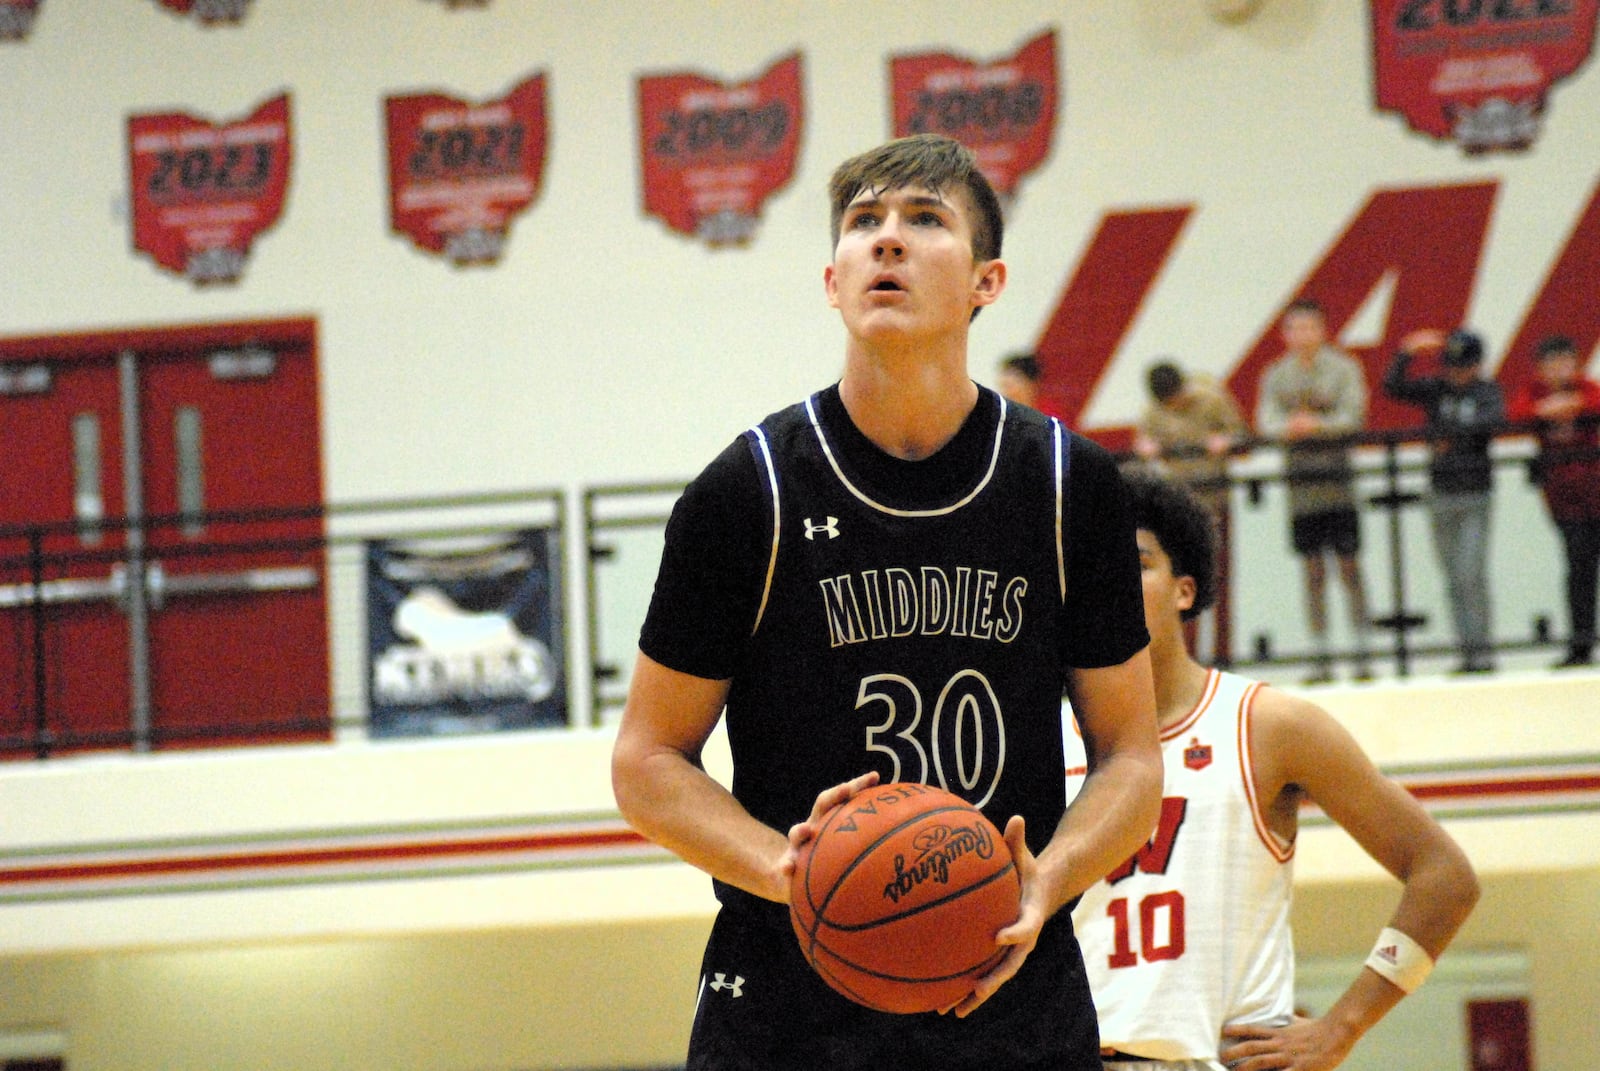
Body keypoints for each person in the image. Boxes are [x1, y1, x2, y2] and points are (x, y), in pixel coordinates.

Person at [611, 133, 1163, 1071]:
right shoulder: (747, 493)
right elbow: (647, 760)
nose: (888, 240)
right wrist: (792, 870)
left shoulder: (1072, 484)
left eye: (924, 220)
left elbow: (1130, 760)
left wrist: (1050, 879)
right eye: (864, 223)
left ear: (988, 281)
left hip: (1008, 992)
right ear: (833, 281)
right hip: (785, 1006)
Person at [1064, 470, 1480, 1070]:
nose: (1114, 583)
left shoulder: (1270, 725)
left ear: (1185, 590)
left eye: (1138, 562)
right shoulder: (1043, 734)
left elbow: (1445, 876)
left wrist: (1341, 1027)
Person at [1254, 298, 1374, 684]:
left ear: (1323, 331)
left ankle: (1363, 654)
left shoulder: (1344, 368)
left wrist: (1315, 425)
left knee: (1350, 565)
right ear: (1285, 334)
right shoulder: (1276, 374)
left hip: (1338, 482)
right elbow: (1265, 421)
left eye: (1309, 328)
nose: (1302, 336)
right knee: (1313, 570)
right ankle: (1321, 658)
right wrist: (1290, 427)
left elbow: (1353, 417)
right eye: (1294, 329)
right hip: (1300, 486)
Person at [1382, 328, 1506, 673]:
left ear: (1477, 365)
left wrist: (1449, 434)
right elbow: (1393, 387)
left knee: (1472, 574)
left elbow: (1494, 420)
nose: (1456, 373)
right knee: (1453, 578)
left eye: (1463, 366)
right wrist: (1406, 352)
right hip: (1441, 492)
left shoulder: (1486, 391)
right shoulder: (1437, 389)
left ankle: (1482, 651)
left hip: (1475, 493)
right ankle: (1466, 651)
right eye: (1451, 366)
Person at [1132, 359, 1249, 665]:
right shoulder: (1153, 412)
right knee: (1183, 583)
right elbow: (1142, 441)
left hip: (1215, 501)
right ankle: (1190, 659)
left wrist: (1226, 441)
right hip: (1179, 511)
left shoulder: (1212, 400)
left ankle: (1224, 656)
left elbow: (1242, 435)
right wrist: (1146, 448)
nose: (1174, 405)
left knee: (1220, 581)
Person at [1508, 335, 1600, 668]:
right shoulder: (1534, 393)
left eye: (1567, 363)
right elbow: (1516, 415)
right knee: (1579, 571)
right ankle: (1581, 646)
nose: (1561, 370)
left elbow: (1595, 403)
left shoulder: (1587, 388)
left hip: (1596, 492)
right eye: (1553, 364)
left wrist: (1567, 405)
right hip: (1565, 501)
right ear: (1540, 369)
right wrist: (1545, 408)